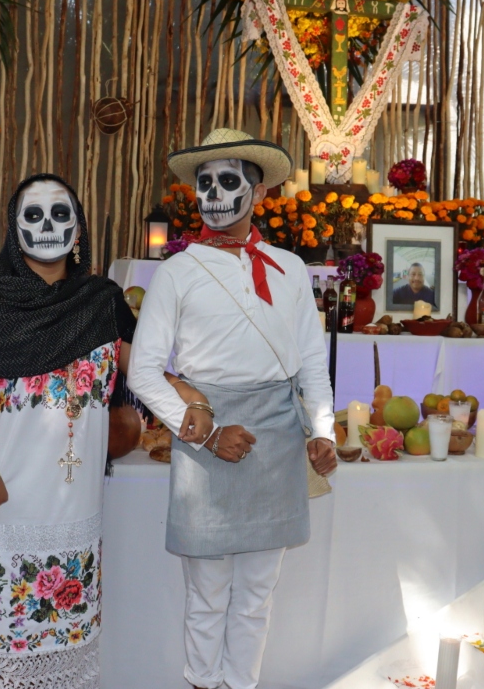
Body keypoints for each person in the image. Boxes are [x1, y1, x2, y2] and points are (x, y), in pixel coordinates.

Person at [0, 174, 207, 688]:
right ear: (14, 229)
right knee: (1, 650)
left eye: (61, 214)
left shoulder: (100, 303)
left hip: (73, 507)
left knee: (66, 653)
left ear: (78, 229)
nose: (47, 225)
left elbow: (141, 370)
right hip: (1, 498)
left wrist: (187, 393)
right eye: (33, 215)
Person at [127, 128, 338, 689]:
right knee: (207, 595)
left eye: (228, 181)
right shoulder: (176, 271)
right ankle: (201, 682)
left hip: (278, 440)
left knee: (256, 596)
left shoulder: (290, 268)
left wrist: (323, 430)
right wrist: (206, 433)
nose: (214, 194)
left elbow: (311, 361)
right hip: (206, 439)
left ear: (259, 192)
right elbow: (142, 372)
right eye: (205, 183)